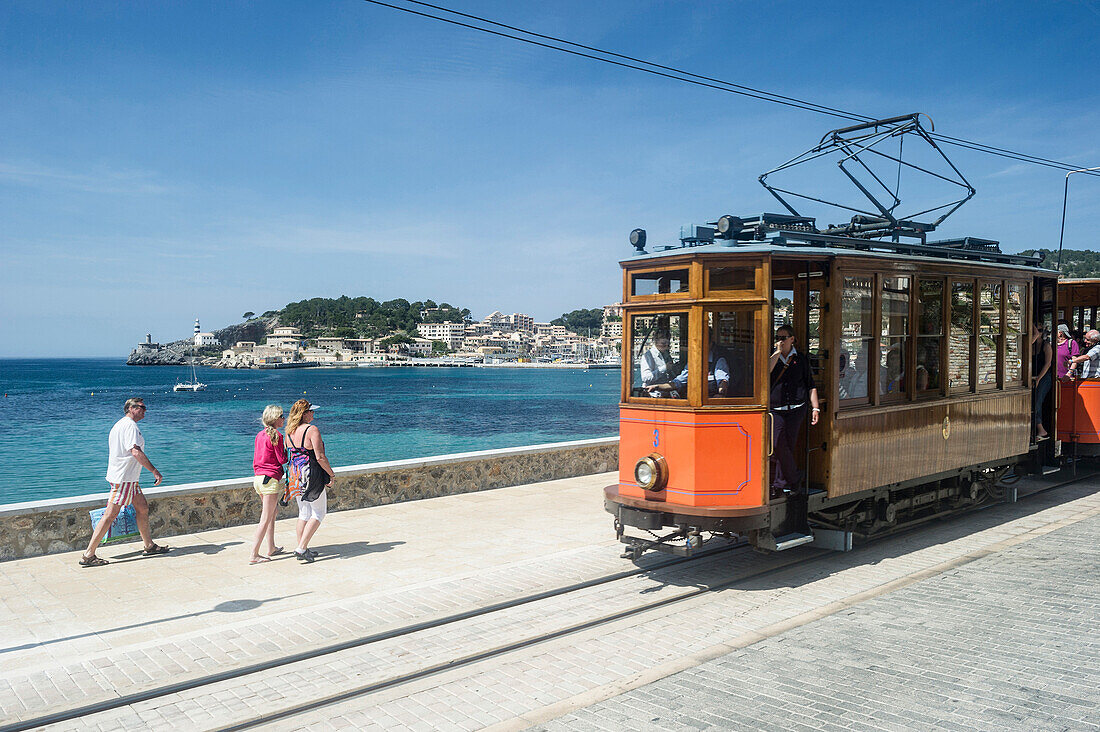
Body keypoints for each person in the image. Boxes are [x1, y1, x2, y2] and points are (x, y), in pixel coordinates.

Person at [80, 398, 169, 567]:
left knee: (142, 508)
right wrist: (154, 471)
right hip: (124, 479)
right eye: (141, 407)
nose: (145, 410)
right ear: (130, 408)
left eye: (145, 407)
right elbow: (135, 451)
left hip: (129, 479)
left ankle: (149, 546)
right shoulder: (130, 426)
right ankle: (88, 555)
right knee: (110, 515)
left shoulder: (120, 424)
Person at [769, 325, 820, 498]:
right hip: (776, 410)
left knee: (788, 446)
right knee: (777, 444)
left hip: (796, 409)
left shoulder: (800, 359)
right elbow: (765, 373)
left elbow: (810, 385)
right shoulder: (773, 357)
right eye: (778, 337)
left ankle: (780, 485)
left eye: (784, 337)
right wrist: (776, 353)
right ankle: (795, 476)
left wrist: (816, 407)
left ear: (792, 339)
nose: (780, 341)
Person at [285, 399, 335, 563]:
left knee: (304, 512)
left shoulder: (289, 432)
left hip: (295, 474)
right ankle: (301, 549)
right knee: (319, 513)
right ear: (304, 414)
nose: (314, 413)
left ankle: (303, 547)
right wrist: (331, 474)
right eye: (311, 411)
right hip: (310, 474)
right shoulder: (312, 430)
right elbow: (320, 457)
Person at [249, 405, 287, 565]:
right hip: (270, 480)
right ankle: (254, 554)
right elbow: (282, 459)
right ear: (275, 419)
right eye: (282, 416)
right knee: (265, 518)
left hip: (259, 479)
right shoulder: (277, 435)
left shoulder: (259, 435)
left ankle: (271, 547)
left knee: (273, 512)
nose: (284, 419)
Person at [639, 330, 680, 397]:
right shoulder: (648, 356)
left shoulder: (666, 354)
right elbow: (645, 378)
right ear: (656, 341)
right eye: (663, 343)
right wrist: (664, 368)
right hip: (653, 394)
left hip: (666, 393)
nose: (666, 346)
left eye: (668, 344)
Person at [1030, 323, 1053, 440]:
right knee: (1032, 400)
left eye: (1039, 330)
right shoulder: (1031, 346)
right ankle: (1035, 428)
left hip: (1044, 377)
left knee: (1037, 400)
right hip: (1033, 377)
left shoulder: (1046, 345)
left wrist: (1038, 378)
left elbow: (1047, 364)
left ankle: (1041, 430)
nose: (1037, 332)